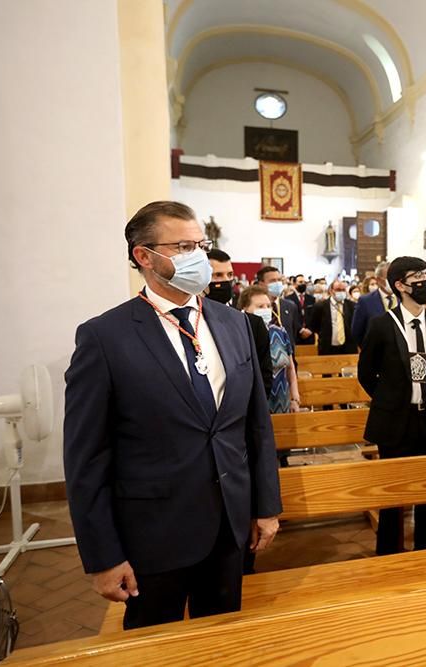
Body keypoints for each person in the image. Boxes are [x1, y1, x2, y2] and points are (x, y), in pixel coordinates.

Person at [63, 201, 281, 630]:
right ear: (144, 256)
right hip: (155, 532)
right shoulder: (105, 338)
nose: (198, 255)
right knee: (153, 645)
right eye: (183, 246)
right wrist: (102, 556)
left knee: (222, 639)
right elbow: (86, 458)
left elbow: (256, 425)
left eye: (201, 244)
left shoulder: (235, 324)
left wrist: (266, 506)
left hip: (230, 523)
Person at [358, 257, 426, 555]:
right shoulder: (382, 324)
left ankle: (423, 549)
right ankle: (389, 553)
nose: (423, 280)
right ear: (399, 285)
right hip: (396, 420)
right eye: (416, 275)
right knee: (394, 492)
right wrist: (390, 398)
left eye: (425, 274)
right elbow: (366, 372)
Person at [207, 250, 272, 395]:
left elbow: (264, 376)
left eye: (229, 275)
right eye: (217, 275)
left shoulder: (251, 323)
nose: (225, 280)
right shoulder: (191, 320)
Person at [239, 284, 301, 415]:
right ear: (245, 308)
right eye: (260, 307)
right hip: (254, 401)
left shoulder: (279, 332)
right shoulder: (240, 333)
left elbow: (290, 368)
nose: (266, 309)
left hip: (281, 398)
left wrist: (295, 398)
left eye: (268, 306)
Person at [309, 279, 358, 355]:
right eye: (338, 290)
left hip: (348, 348)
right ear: (331, 291)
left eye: (343, 290)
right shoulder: (320, 306)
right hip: (327, 348)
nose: (341, 292)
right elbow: (315, 326)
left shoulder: (352, 306)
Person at [352, 261, 396, 345]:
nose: (394, 281)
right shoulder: (365, 301)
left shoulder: (403, 298)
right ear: (378, 280)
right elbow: (356, 332)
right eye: (389, 278)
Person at [257, 266, 301, 347]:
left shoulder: (290, 306)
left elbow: (293, 334)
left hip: (287, 356)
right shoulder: (255, 307)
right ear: (261, 284)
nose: (277, 283)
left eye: (279, 280)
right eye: (272, 281)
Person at [286, 274, 316, 346]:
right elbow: (290, 317)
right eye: (300, 282)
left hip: (310, 335)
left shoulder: (311, 299)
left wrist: (310, 330)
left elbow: (314, 316)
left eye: (304, 282)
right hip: (296, 334)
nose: (303, 284)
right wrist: (301, 329)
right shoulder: (288, 299)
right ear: (294, 284)